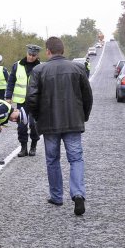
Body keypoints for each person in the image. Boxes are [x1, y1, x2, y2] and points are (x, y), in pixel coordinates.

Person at [26, 37, 93, 216]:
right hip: (73, 122)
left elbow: (31, 98)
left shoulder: (39, 70)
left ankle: (56, 196)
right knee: (76, 159)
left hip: (49, 124)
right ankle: (78, 194)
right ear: (63, 51)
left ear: (48, 51)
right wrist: (83, 117)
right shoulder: (77, 68)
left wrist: (37, 118)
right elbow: (87, 96)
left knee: (52, 160)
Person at [5, 44, 41, 157]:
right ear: (26, 53)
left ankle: (33, 146)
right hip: (21, 102)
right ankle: (23, 148)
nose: (31, 57)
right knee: (21, 126)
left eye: (34, 55)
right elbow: (11, 82)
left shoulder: (40, 67)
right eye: (29, 54)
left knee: (33, 124)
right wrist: (8, 96)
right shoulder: (17, 66)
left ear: (37, 55)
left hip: (35, 102)